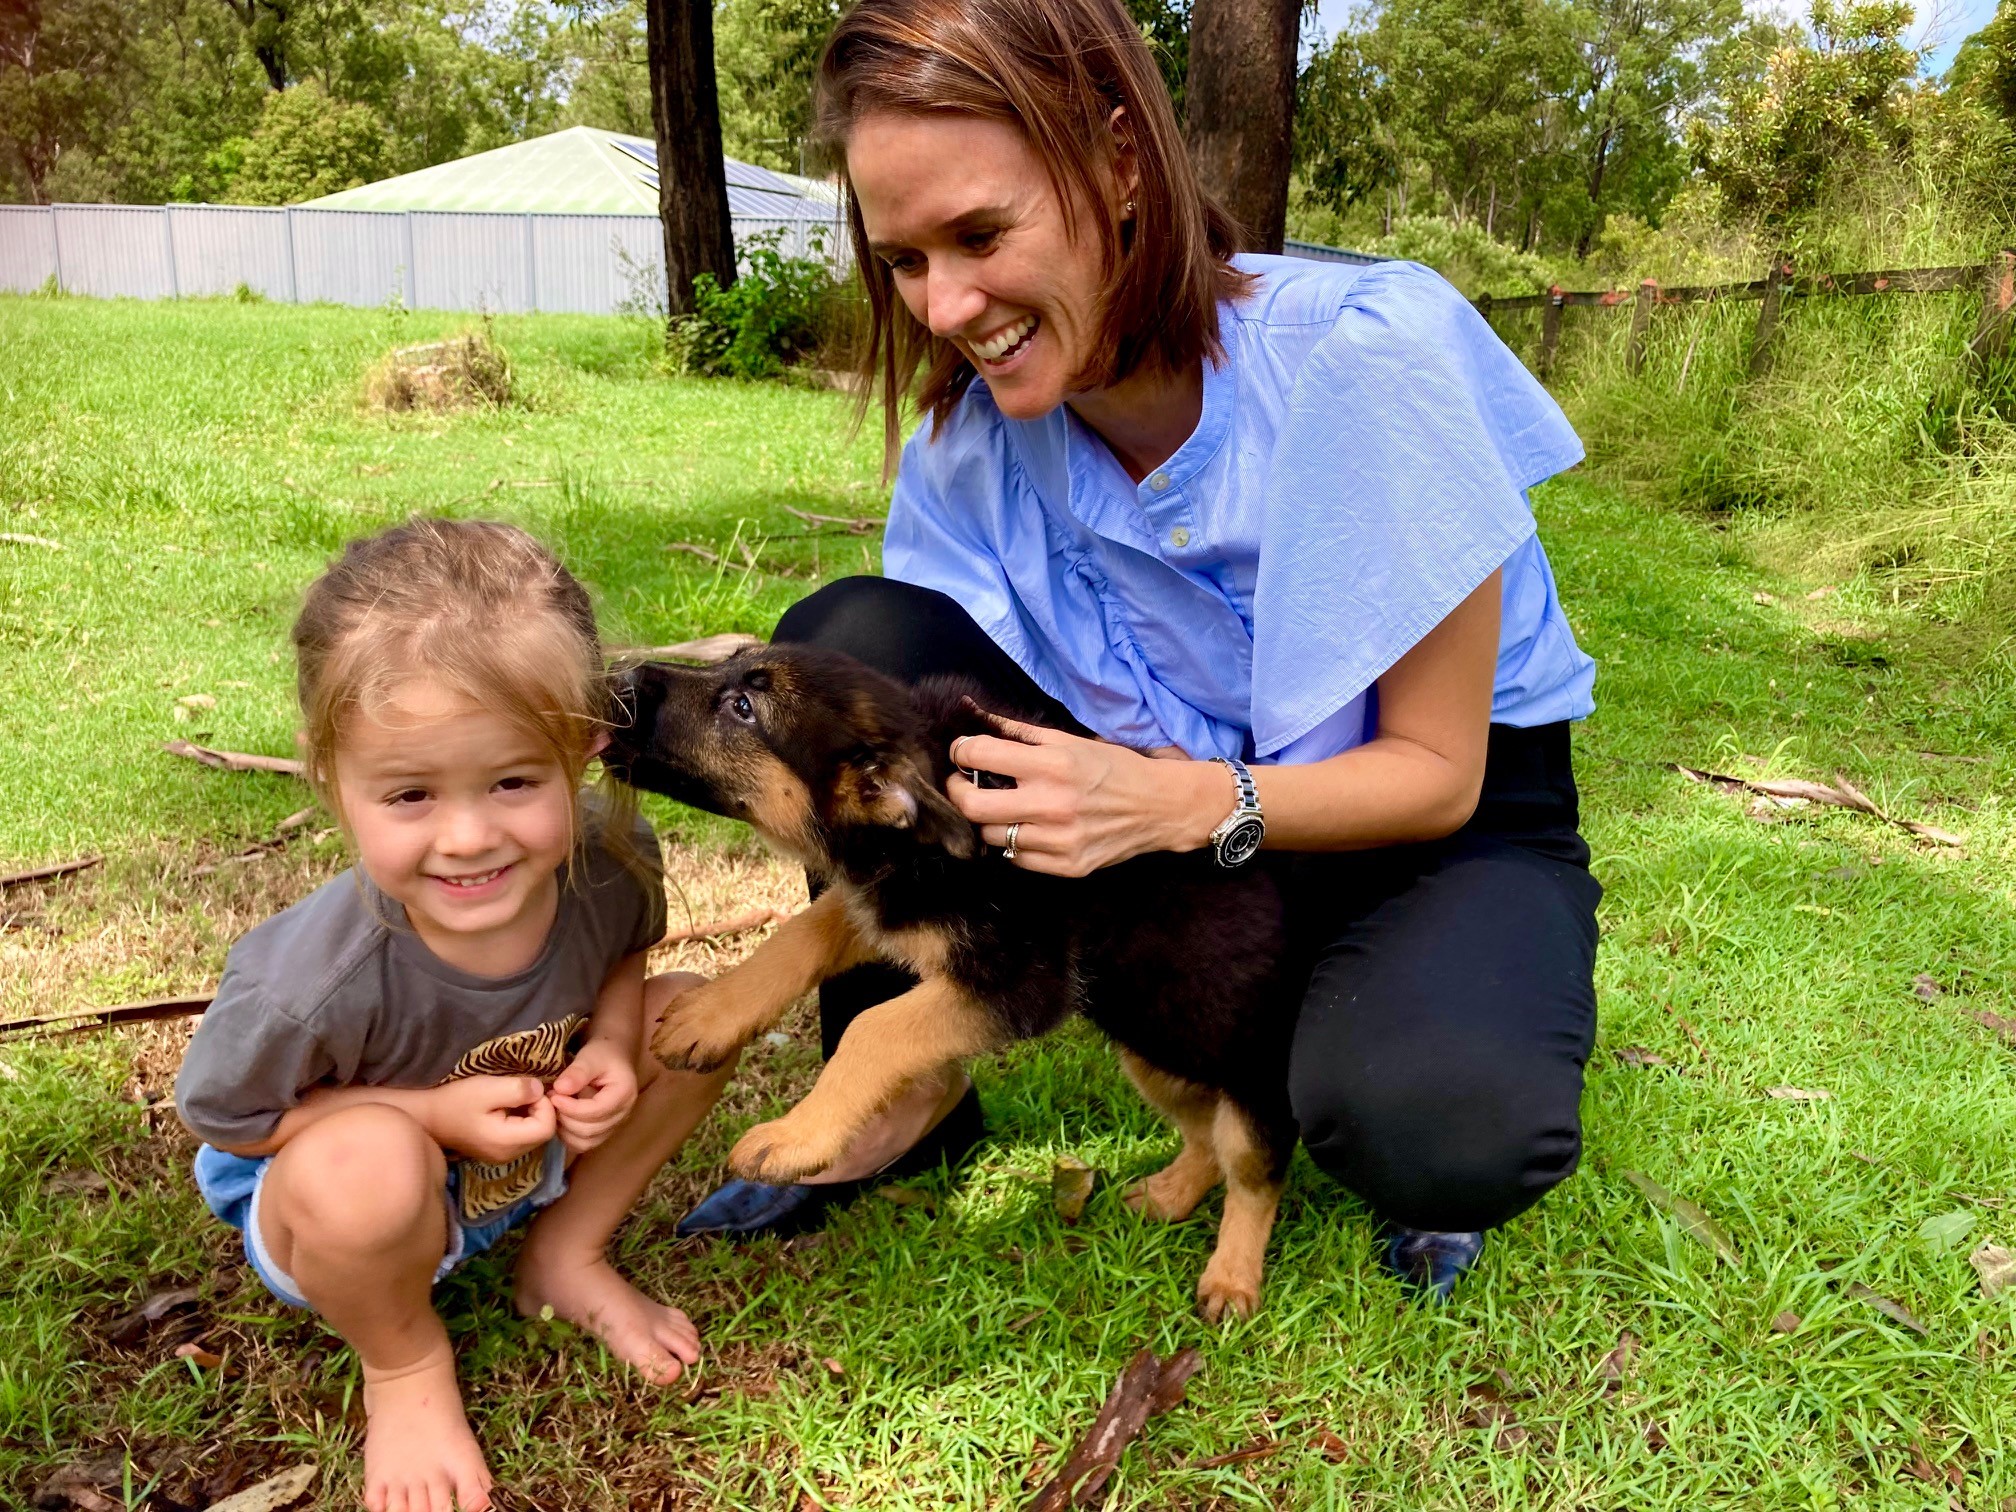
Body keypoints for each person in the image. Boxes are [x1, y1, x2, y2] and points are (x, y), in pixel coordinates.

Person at [674, 0, 1602, 1305]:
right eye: (903, 260)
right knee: (855, 646)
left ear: (1118, 165)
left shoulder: (1362, 357)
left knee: (1435, 1122)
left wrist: (1178, 804)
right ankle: (904, 1101)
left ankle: (1400, 1032)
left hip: (1425, 823)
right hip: (1173, 835)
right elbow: (912, 753)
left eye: (982, 234)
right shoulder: (969, 448)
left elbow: (1438, 774)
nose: (947, 306)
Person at [174, 519, 732, 1512]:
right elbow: (231, 1123)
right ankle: (403, 1363)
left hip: (517, 1161)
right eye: (411, 794)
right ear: (331, 775)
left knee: (697, 1018)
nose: (469, 837)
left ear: (585, 745)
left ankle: (564, 1253)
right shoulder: (307, 982)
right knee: (368, 1166)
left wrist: (611, 1039)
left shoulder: (606, 856)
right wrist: (427, 1117)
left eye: (515, 781)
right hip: (338, 1210)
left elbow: (626, 955)